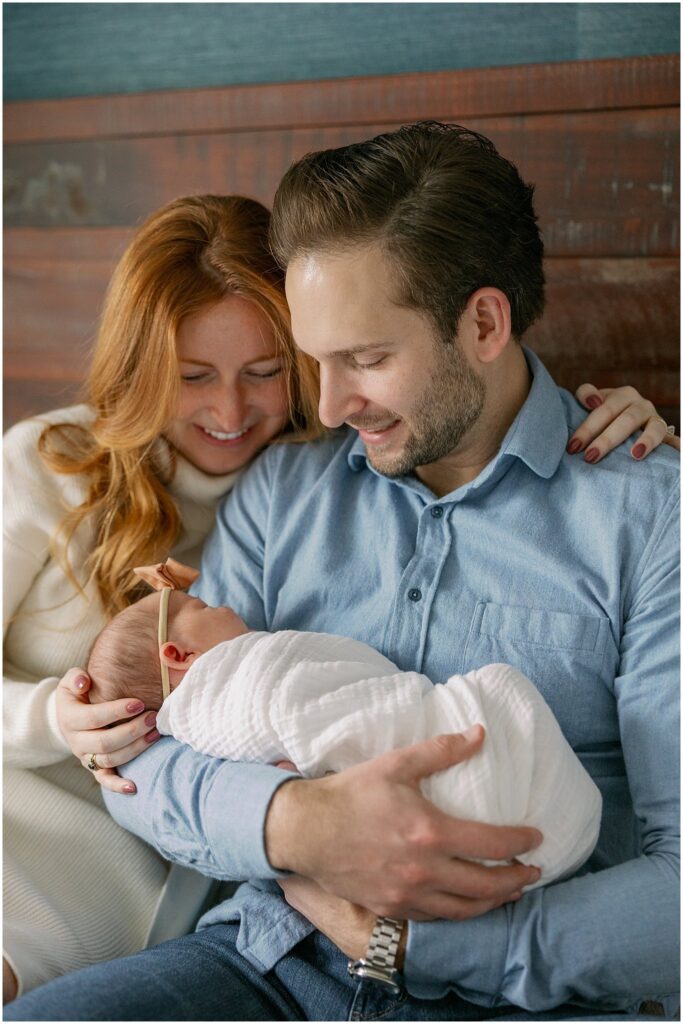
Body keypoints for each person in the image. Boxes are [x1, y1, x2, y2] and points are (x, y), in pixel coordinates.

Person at [6, 124, 679, 1021]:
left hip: (519, 998)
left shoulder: (649, 516)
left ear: (484, 321)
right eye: (313, 361)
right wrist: (294, 825)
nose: (323, 406)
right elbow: (151, 763)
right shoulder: (286, 485)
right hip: (264, 960)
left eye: (365, 359)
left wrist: (437, 944)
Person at [2, 192, 321, 1002]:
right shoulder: (48, 462)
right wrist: (54, 719)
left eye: (264, 373)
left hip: (120, 862)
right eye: (192, 377)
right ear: (139, 368)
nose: (229, 412)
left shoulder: (322, 493)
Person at [86, 575, 601, 888]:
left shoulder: (216, 702)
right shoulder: (233, 686)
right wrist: (289, 813)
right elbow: (134, 786)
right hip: (270, 934)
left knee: (495, 698)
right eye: (202, 609)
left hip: (446, 914)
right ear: (178, 656)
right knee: (499, 691)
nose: (222, 605)